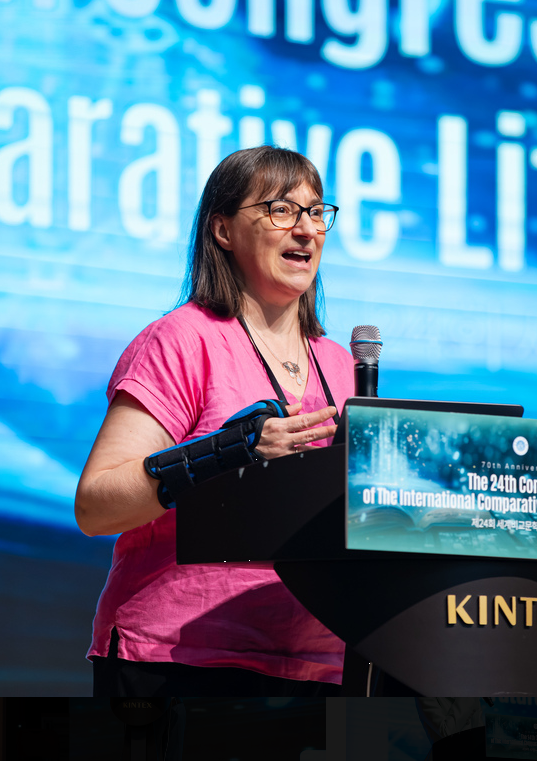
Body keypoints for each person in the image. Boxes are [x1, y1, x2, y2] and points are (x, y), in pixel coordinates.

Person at [75, 146, 351, 696]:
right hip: (179, 658)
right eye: (280, 209)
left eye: (316, 212)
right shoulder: (182, 340)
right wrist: (227, 453)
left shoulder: (341, 364)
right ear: (223, 230)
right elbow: (97, 506)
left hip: (315, 665)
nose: (306, 229)